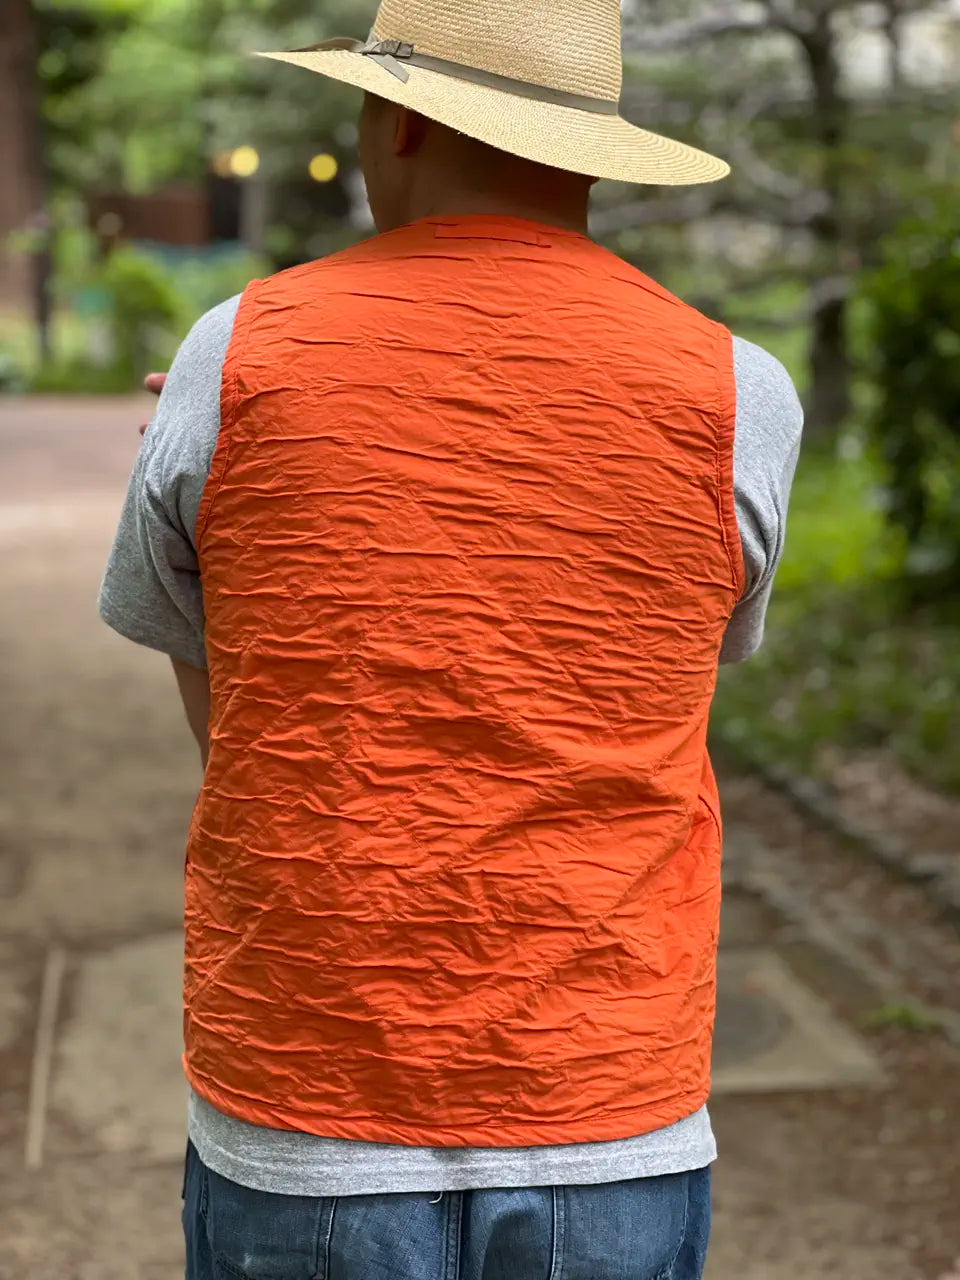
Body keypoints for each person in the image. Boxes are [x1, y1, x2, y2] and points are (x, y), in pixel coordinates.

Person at [100, 1, 803, 1276]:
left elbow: (245, 718)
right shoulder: (739, 390)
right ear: (593, 150)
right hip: (610, 1094)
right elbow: (654, 686)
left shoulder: (235, 354)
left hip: (307, 1087)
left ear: (402, 120)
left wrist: (239, 428)